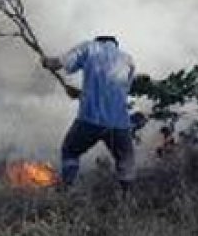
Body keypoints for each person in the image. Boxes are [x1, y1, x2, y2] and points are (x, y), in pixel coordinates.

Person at [41, 36, 136, 190]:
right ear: (114, 44)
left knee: (70, 150)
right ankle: (128, 198)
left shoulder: (89, 47)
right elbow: (119, 92)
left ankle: (67, 188)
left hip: (90, 119)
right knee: (125, 160)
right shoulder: (127, 59)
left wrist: (46, 62)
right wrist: (80, 94)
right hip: (119, 123)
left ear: (98, 40)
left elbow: (59, 63)